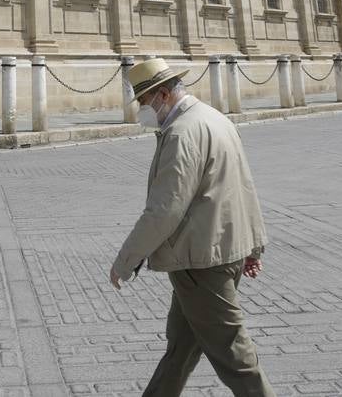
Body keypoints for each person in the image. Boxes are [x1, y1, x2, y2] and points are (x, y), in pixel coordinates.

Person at [110, 58, 275, 397]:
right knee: (180, 350)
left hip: (201, 261)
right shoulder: (214, 118)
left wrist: (125, 260)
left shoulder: (181, 133)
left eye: (143, 101)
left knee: (234, 356)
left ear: (163, 94)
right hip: (219, 250)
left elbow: (164, 210)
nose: (142, 109)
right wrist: (253, 246)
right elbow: (244, 186)